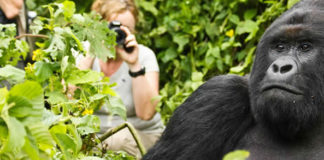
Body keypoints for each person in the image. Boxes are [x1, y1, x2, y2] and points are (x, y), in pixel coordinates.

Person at [77, 0, 164, 158]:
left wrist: (134, 64)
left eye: (126, 29)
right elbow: (67, 99)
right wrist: (92, 50)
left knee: (118, 141)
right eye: (113, 27)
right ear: (99, 25)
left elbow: (146, 113)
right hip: (93, 137)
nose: (117, 34)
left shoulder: (144, 56)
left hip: (140, 135)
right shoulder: (84, 52)